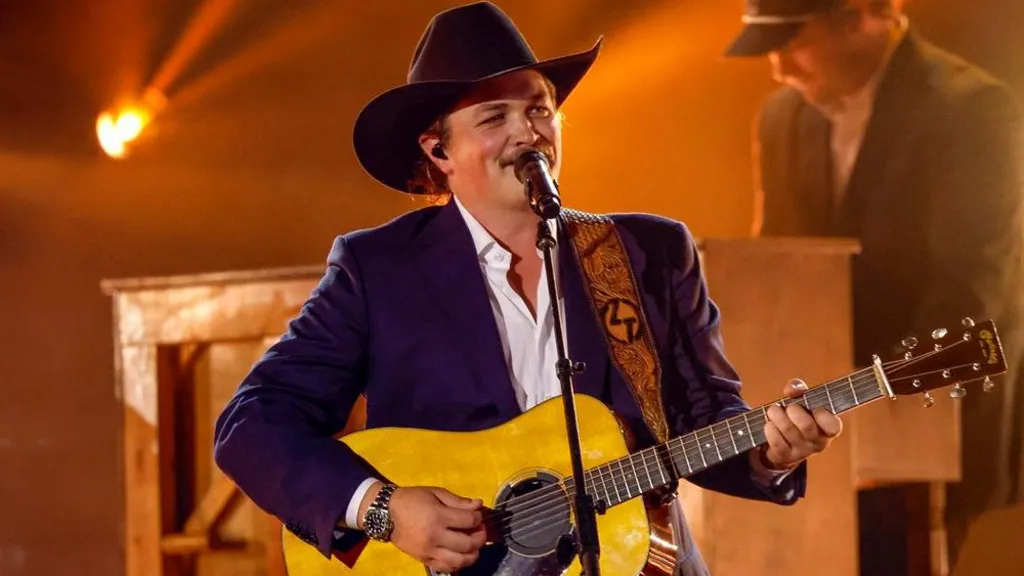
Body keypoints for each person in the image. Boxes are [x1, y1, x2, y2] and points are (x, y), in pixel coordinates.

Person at [214, 2, 842, 575]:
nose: (528, 132)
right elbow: (253, 426)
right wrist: (385, 509)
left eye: (539, 109)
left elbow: (704, 418)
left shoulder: (647, 252)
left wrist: (772, 453)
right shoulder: (377, 269)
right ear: (439, 151)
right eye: (495, 117)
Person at [724, 0, 1024, 573]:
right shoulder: (782, 117)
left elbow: (970, 287)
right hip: (820, 425)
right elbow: (780, 272)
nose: (779, 68)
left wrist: (873, 403)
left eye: (792, 43)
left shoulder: (972, 110)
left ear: (859, 16)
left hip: (932, 423)